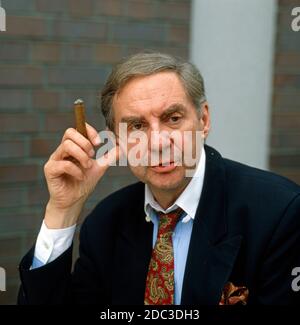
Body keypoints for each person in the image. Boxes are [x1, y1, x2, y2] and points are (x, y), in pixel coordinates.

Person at [18, 53, 300, 305]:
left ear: (203, 120)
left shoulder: (279, 212)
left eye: (173, 118)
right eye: (137, 126)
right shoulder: (105, 223)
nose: (158, 142)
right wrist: (63, 210)